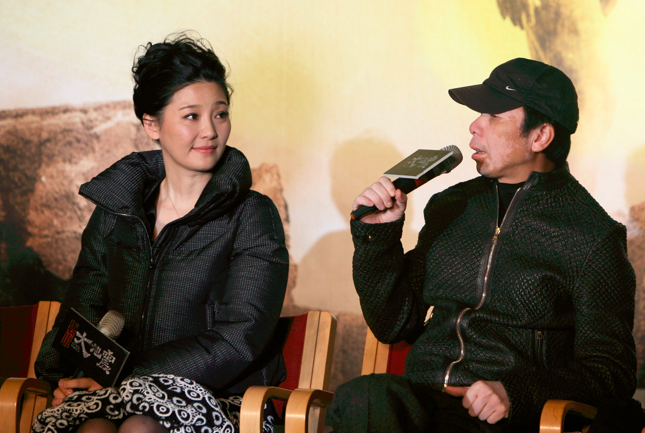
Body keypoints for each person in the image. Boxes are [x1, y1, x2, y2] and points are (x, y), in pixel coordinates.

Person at [327, 58, 637, 432]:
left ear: (540, 136)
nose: (474, 126)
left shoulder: (592, 236)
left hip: (502, 420)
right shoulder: (451, 206)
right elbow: (392, 324)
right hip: (424, 400)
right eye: (479, 114)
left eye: (494, 115)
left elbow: (610, 371)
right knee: (363, 397)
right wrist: (379, 236)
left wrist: (516, 392)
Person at [33, 33, 289, 433]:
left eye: (220, 114)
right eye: (191, 116)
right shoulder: (116, 213)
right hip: (115, 391)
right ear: (152, 124)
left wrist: (129, 376)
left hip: (224, 401)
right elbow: (81, 315)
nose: (210, 131)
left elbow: (239, 339)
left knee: (139, 427)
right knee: (92, 429)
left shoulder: (252, 215)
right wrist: (65, 380)